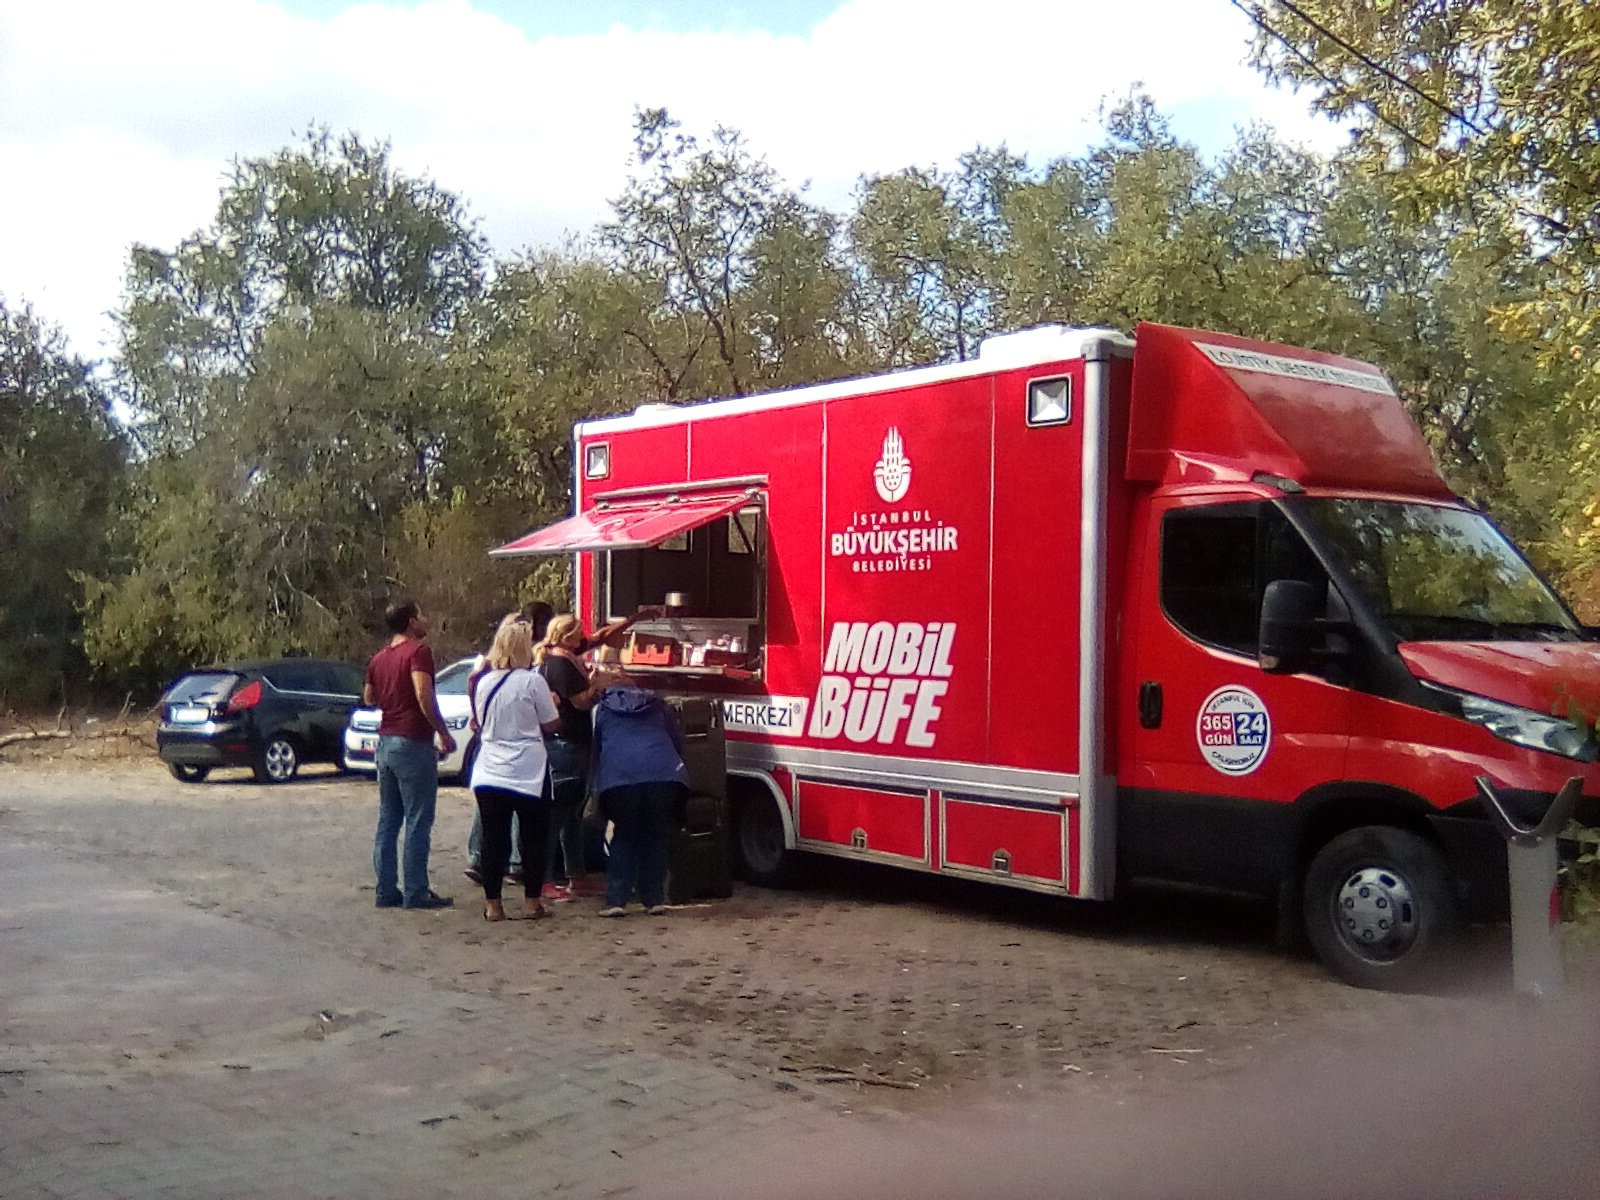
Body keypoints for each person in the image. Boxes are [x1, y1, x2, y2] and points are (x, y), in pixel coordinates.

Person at [365, 599, 456, 910]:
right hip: (412, 741)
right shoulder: (418, 652)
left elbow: (369, 696)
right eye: (420, 615)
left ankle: (385, 889)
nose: (424, 619)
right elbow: (423, 693)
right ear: (410, 622)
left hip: (385, 741)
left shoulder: (379, 658)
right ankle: (415, 890)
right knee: (418, 818)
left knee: (388, 819)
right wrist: (442, 731)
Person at [469, 614, 561, 921]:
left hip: (490, 768)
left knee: (493, 839)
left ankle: (493, 904)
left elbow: (480, 723)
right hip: (528, 769)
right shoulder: (533, 682)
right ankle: (532, 902)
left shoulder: (484, 683)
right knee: (534, 837)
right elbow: (550, 723)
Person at [534, 613, 626, 901]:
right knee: (558, 816)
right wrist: (597, 685)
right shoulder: (560, 664)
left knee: (572, 815)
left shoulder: (560, 658)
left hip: (571, 743)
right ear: (567, 636)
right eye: (578, 632)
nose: (582, 636)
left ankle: (577, 876)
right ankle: (546, 881)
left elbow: (597, 638)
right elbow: (580, 702)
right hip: (567, 744)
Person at [591, 679, 689, 917]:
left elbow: (596, 748)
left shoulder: (601, 709)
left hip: (620, 780)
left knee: (624, 836)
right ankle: (654, 899)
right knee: (656, 835)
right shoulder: (658, 704)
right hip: (664, 776)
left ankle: (617, 899)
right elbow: (677, 742)